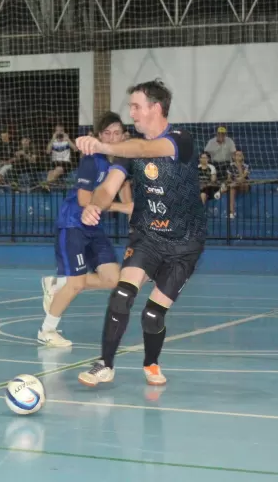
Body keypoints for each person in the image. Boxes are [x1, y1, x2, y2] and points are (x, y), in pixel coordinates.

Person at [73, 79, 206, 388]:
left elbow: (146, 148)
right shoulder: (126, 151)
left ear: (155, 108)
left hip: (185, 244)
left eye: (136, 106)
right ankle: (105, 364)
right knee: (121, 294)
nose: (131, 113)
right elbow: (108, 188)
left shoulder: (181, 140)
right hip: (147, 236)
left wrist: (104, 145)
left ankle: (151, 362)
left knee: (152, 316)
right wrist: (95, 205)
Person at [39, 112, 133, 347]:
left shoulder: (124, 162)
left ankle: (57, 284)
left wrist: (133, 213)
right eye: (106, 133)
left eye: (116, 133)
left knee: (113, 278)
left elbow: (125, 193)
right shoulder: (92, 159)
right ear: (99, 136)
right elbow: (84, 199)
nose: (112, 138)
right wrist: (123, 208)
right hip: (74, 223)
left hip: (95, 227)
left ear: (124, 135)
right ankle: (47, 330)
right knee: (77, 283)